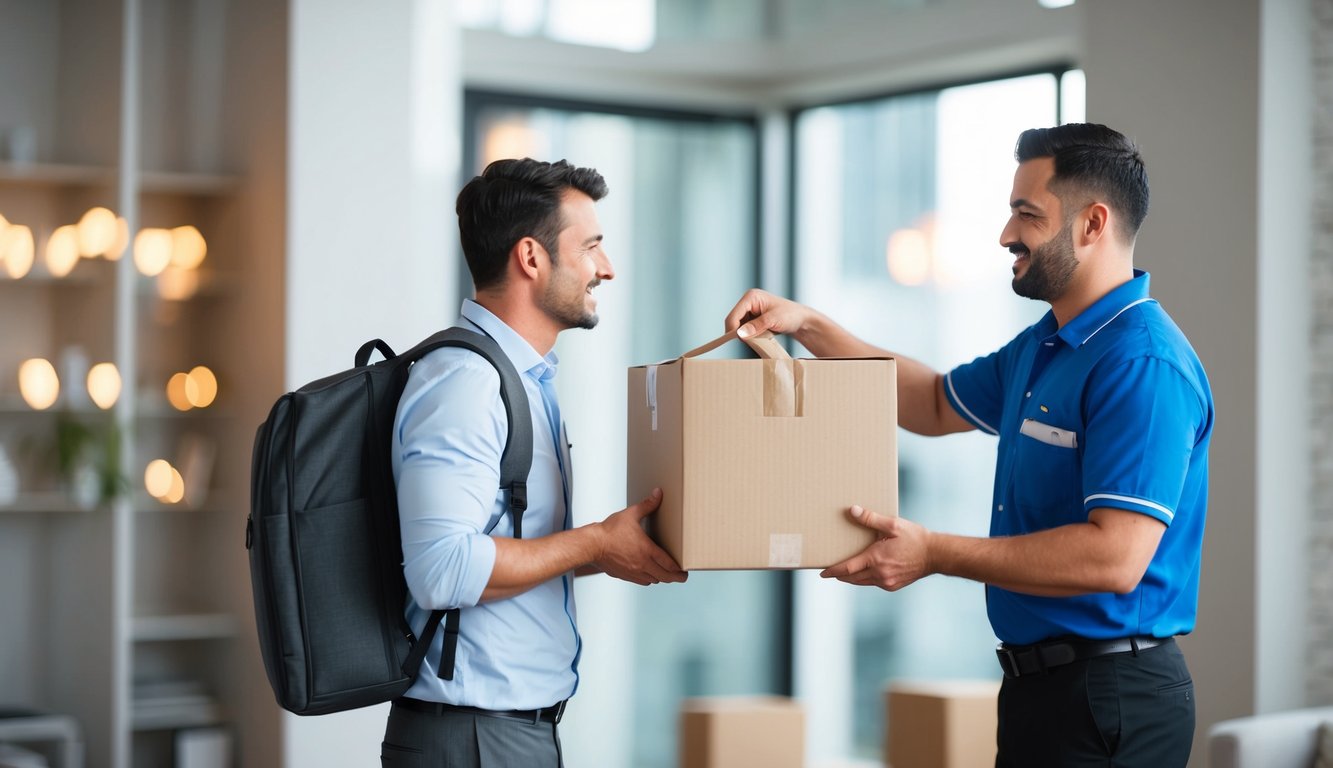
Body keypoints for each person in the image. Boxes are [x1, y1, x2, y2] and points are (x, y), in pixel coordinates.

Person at [725, 123, 1212, 766]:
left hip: (1111, 695)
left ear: (1093, 224)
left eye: (1026, 214)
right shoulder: (1045, 346)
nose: (1007, 234)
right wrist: (809, 326)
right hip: (1038, 689)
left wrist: (933, 552)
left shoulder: (1141, 364)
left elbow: (1114, 558)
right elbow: (930, 402)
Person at [383, 158, 687, 766]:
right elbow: (441, 570)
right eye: (592, 247)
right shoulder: (466, 384)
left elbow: (504, 554)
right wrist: (594, 542)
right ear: (531, 257)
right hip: (470, 740)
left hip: (505, 735)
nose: (607, 267)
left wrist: (614, 546)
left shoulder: (521, 381)